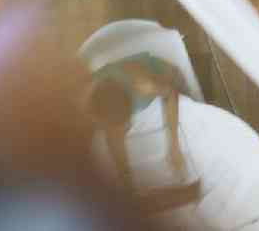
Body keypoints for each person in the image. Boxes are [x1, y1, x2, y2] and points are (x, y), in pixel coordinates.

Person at [86, 52, 201, 213]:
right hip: (114, 92)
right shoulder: (93, 98)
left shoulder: (143, 85)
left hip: (167, 77)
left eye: (125, 125)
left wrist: (174, 147)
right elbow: (114, 141)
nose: (123, 131)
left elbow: (170, 94)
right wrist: (128, 186)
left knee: (189, 113)